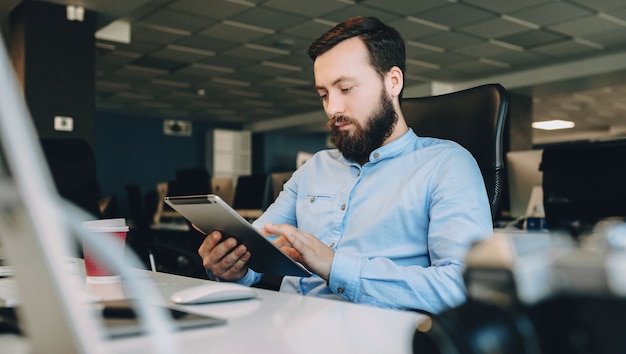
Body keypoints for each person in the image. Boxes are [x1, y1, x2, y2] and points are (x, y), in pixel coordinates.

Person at [198, 16, 493, 314]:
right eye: (324, 94)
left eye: (346, 89)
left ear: (393, 82)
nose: (332, 108)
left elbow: (462, 286)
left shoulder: (446, 164)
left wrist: (334, 265)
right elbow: (260, 249)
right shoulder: (315, 168)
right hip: (283, 326)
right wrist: (233, 267)